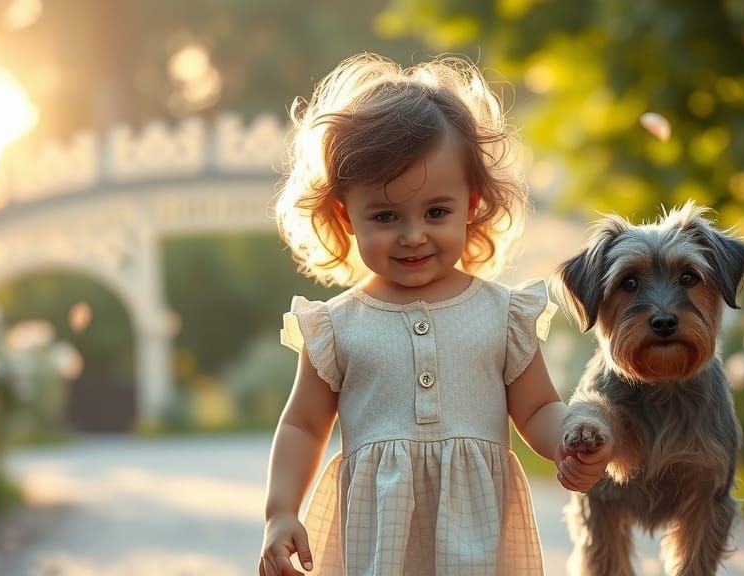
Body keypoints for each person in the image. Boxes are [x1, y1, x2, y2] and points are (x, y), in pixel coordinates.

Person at [259, 52, 611, 576]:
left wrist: (573, 442)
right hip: (377, 537)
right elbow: (304, 424)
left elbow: (537, 409)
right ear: (345, 215)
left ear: (471, 204)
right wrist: (280, 511)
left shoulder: (503, 313)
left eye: (436, 212)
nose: (413, 234)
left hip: (478, 536)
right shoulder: (335, 326)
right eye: (385, 215)